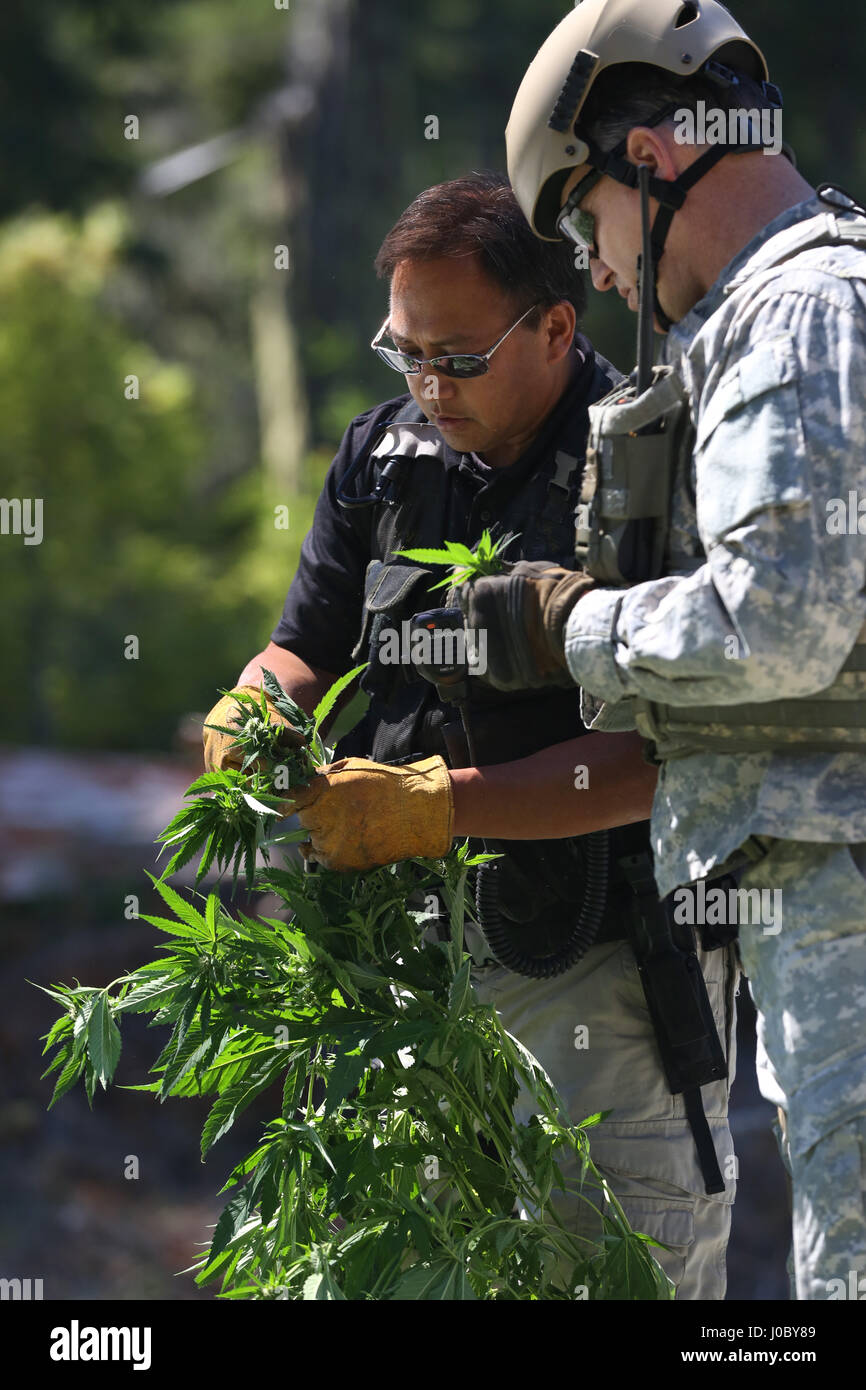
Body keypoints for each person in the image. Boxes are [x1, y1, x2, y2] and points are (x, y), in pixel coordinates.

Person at [202, 173, 739, 1299]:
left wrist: (439, 803)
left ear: (554, 324)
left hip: (602, 972)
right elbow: (303, 645)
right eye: (406, 354)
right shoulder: (381, 455)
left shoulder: (656, 468)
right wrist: (253, 704)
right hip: (406, 967)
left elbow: (664, 756)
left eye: (456, 357)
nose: (428, 385)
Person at [458, 0, 866, 1301]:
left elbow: (777, 620)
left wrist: (564, 621)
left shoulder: (796, 315)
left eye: (584, 223)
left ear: (650, 160)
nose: (598, 269)